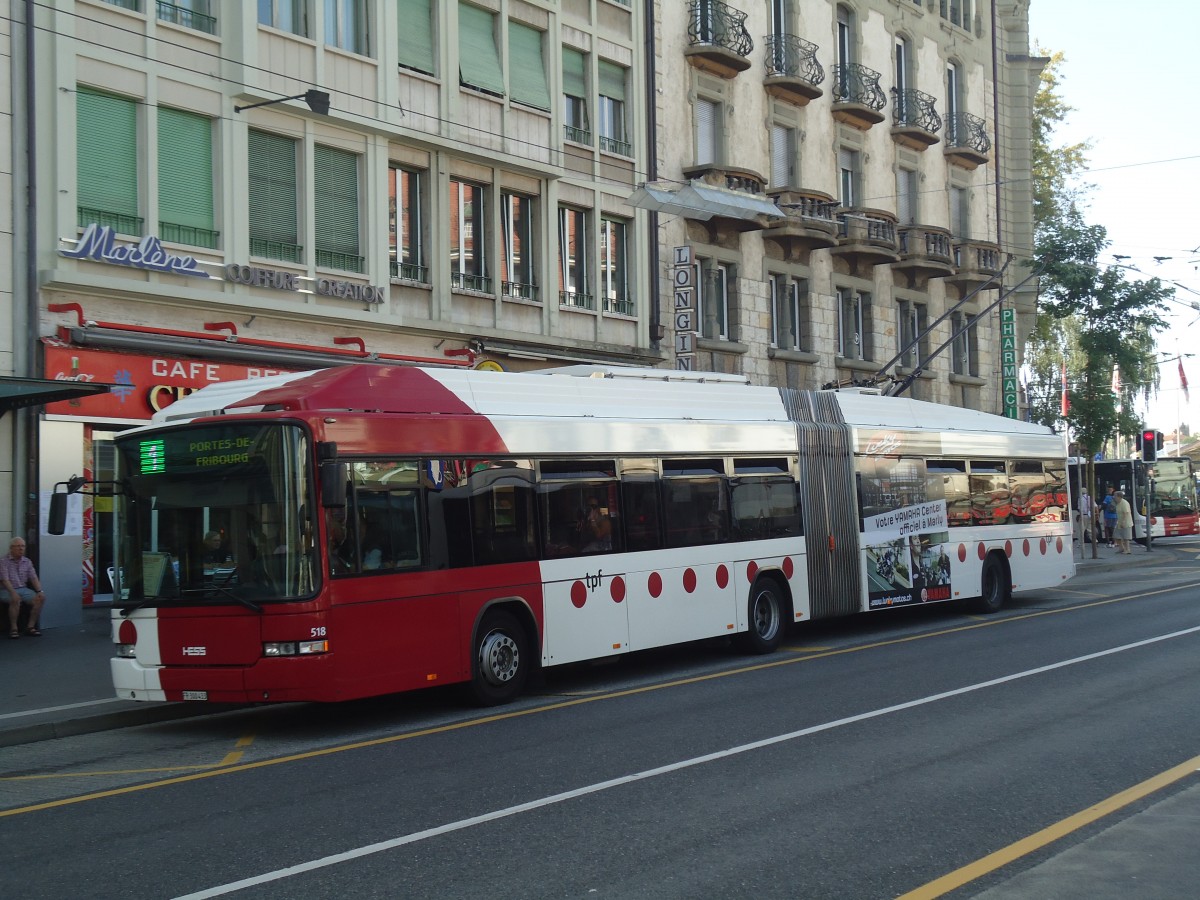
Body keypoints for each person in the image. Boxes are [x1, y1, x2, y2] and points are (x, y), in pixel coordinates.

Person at [1, 537, 46, 638]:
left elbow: (34, 578)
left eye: (23, 546)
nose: (21, 549)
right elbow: (5, 580)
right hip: (6, 589)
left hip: (23, 589)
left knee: (40, 599)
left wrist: (40, 591)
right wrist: (13, 592)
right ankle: (14, 628)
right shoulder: (3, 561)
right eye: (18, 546)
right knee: (15, 599)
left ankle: (30, 627)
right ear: (11, 548)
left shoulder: (27, 561)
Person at [1113, 490, 1134, 554]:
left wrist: (1123, 522)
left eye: (1115, 496)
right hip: (1119, 522)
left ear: (1119, 497)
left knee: (1126, 537)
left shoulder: (1124, 503)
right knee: (1116, 535)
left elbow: (1126, 513)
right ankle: (1121, 548)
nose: (1114, 497)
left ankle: (1127, 550)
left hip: (1126, 522)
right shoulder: (1118, 503)